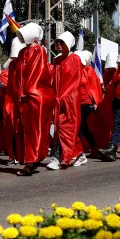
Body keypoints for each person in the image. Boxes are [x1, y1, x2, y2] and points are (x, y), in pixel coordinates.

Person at [14, 23, 56, 176]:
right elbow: (20, 76)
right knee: (28, 130)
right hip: (27, 96)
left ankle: (31, 162)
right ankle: (33, 158)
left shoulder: (38, 50)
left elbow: (36, 73)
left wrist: (28, 91)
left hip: (36, 95)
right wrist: (20, 92)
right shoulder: (22, 52)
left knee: (36, 130)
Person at [48, 31, 84, 170]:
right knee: (61, 129)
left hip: (70, 100)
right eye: (57, 42)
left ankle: (57, 158)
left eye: (61, 42)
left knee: (66, 129)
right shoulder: (56, 60)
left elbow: (75, 81)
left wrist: (64, 96)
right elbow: (54, 81)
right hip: (58, 100)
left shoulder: (75, 59)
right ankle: (79, 154)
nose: (58, 45)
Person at [75, 50, 102, 160]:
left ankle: (78, 152)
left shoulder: (89, 70)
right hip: (76, 102)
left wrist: (95, 102)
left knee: (80, 127)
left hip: (86, 103)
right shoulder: (77, 71)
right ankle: (93, 147)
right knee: (83, 127)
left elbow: (94, 87)